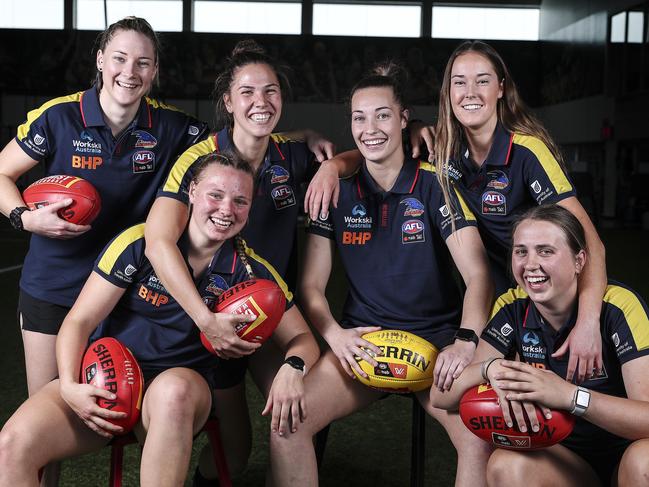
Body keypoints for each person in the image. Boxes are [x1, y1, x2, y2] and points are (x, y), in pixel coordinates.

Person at [0, 152, 319, 487]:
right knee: (11, 445)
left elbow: (303, 339)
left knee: (174, 394)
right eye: (215, 195)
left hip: (177, 385)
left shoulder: (251, 272)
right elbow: (79, 321)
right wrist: (68, 384)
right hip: (105, 378)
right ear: (192, 191)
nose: (227, 209)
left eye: (241, 200)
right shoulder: (137, 243)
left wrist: (292, 368)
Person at [307, 40, 606, 384]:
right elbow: (377, 144)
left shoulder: (527, 151)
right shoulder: (445, 149)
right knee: (480, 396)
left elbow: (591, 244)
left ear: (501, 89)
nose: (470, 91)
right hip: (493, 298)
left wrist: (587, 322)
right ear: (447, 92)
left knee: (540, 403)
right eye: (459, 82)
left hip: (541, 297)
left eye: (482, 80)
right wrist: (332, 166)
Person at [270, 63, 494, 486]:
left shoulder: (434, 185)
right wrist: (335, 335)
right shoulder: (335, 190)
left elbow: (478, 274)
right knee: (288, 423)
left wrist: (465, 342)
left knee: (478, 440)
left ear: (404, 118)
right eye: (359, 117)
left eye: (383, 115)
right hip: (363, 344)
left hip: (437, 346)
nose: (370, 128)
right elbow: (312, 286)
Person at [142, 39, 346, 484]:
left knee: (302, 408)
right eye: (248, 92)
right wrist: (205, 319)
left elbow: (361, 159)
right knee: (231, 456)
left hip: (271, 316)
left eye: (271, 90)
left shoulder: (292, 157)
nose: (261, 101)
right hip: (205, 315)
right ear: (228, 101)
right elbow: (157, 244)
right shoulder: (199, 162)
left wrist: (332, 165)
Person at [0, 16, 209, 399]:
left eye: (143, 62)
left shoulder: (172, 127)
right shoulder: (59, 116)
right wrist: (25, 217)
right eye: (119, 58)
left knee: (122, 407)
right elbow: (1, 172)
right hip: (54, 286)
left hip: (123, 291)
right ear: (100, 60)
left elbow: (237, 145)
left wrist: (307, 142)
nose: (129, 72)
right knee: (47, 408)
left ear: (155, 71)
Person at [430, 204, 649, 487]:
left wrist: (570, 397)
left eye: (546, 251)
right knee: (507, 465)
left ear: (579, 261)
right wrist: (489, 369)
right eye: (521, 251)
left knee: (644, 460)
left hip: (626, 459)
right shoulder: (512, 307)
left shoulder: (619, 307)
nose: (530, 263)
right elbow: (441, 397)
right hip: (565, 461)